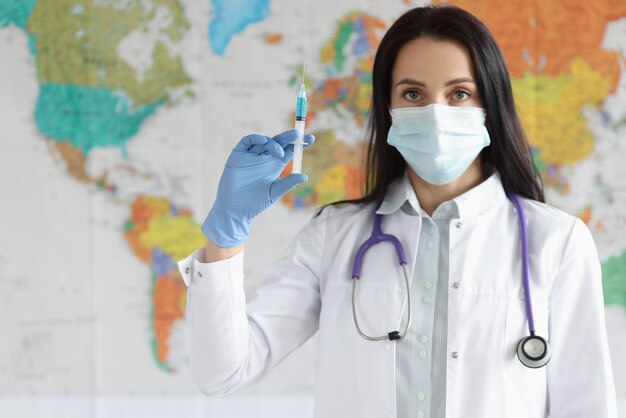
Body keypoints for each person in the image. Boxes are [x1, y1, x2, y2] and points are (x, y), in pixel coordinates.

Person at [178, 5, 617, 418]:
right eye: (413, 93)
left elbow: (587, 405)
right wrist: (225, 236)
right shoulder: (334, 236)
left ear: (491, 107)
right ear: (389, 110)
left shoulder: (557, 242)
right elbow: (223, 374)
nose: (436, 114)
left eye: (459, 93)